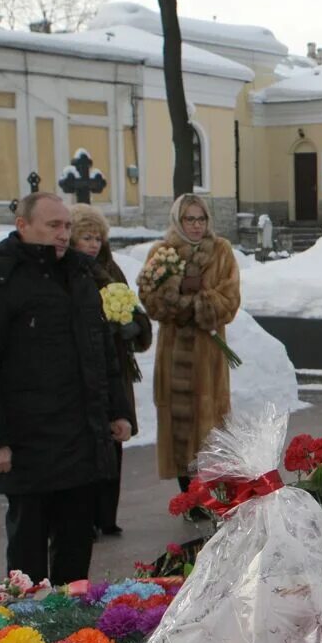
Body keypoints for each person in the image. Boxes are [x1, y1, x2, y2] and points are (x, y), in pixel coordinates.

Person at [0, 192, 132, 585]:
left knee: (75, 548)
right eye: (53, 225)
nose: (63, 234)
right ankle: (26, 636)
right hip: (28, 442)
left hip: (81, 437)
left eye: (67, 226)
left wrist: (118, 411)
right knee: (28, 558)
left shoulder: (79, 275)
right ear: (23, 226)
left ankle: (73, 634)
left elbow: (101, 351)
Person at [138, 195, 240, 491]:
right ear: (177, 221)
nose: (196, 226)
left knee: (212, 426)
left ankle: (216, 494)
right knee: (179, 426)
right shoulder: (162, 252)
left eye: (201, 219)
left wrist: (195, 303)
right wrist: (179, 292)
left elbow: (230, 300)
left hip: (209, 357)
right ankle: (189, 495)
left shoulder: (222, 251)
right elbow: (152, 302)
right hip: (173, 356)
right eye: (189, 219)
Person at [70, 204, 153, 536]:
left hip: (116, 365)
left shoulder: (111, 269)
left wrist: (133, 325)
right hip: (85, 368)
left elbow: (134, 309)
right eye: (85, 237)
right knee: (90, 441)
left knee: (115, 438)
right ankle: (85, 516)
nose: (92, 244)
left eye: (97, 238)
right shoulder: (73, 273)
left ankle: (107, 514)